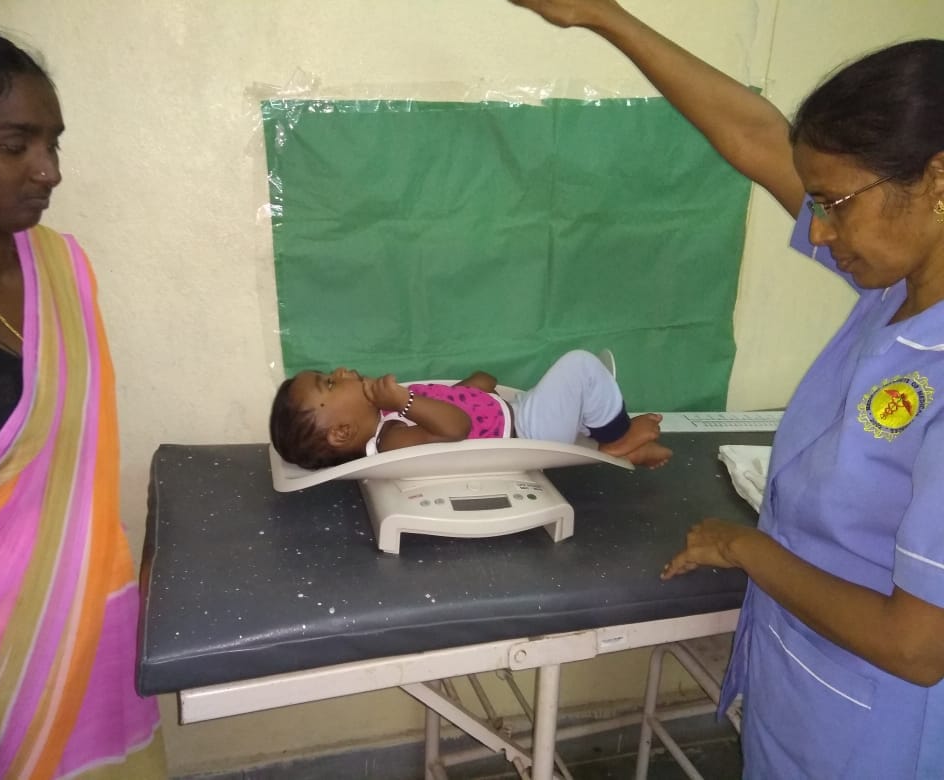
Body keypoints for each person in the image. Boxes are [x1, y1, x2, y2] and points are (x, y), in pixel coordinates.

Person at [509, 2, 944, 778]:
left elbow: (918, 647)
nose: (815, 231)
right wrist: (603, 17)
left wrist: (744, 546)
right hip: (811, 697)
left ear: (937, 177)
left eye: (833, 203)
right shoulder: (895, 294)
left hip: (881, 740)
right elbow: (753, 137)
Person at [0, 21, 165, 779]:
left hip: (94, 619)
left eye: (53, 144)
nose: (47, 171)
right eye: (16, 145)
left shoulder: (60, 266)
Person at [270, 348, 673, 469]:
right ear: (341, 432)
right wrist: (404, 400)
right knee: (582, 366)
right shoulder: (391, 439)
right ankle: (618, 441)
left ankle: (618, 445)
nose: (339, 370)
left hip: (516, 413)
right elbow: (455, 429)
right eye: (328, 382)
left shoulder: (388, 418)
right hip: (526, 433)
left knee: (579, 386)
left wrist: (469, 388)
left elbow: (444, 415)